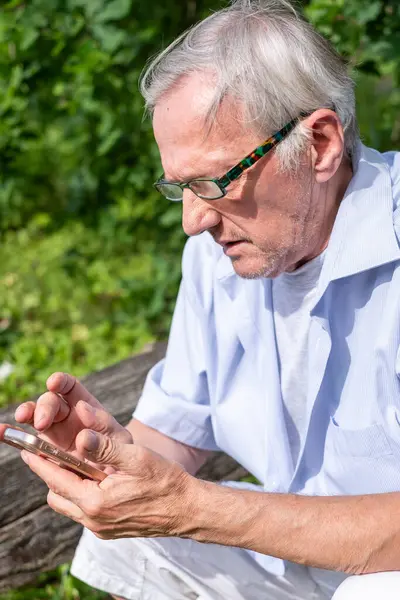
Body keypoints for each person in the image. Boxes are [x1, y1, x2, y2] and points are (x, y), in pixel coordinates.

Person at [3, 0, 400, 598]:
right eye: (178, 186)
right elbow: (176, 433)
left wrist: (194, 508)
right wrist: (106, 457)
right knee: (136, 538)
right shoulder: (220, 256)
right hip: (300, 564)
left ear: (319, 144)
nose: (193, 221)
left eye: (213, 182)